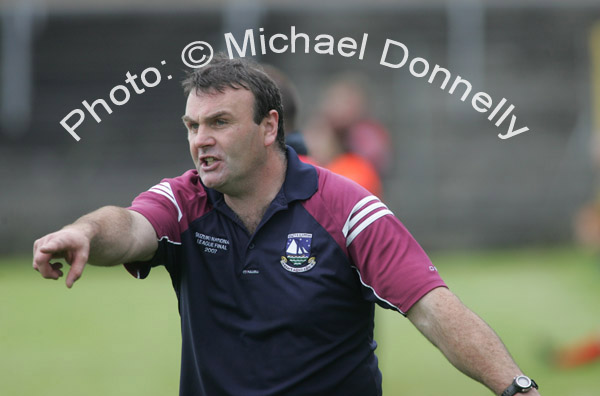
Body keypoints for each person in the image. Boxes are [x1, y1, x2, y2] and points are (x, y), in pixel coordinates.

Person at [33, 55, 540, 396]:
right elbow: (130, 226)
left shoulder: (346, 207)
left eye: (220, 123)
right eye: (193, 126)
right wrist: (86, 233)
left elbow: (433, 308)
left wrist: (516, 388)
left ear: (271, 126)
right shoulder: (185, 199)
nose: (201, 140)